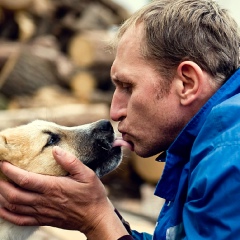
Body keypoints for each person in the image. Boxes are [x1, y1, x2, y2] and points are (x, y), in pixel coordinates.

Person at [0, 0, 240, 239]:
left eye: (128, 86)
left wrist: (97, 218)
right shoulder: (213, 145)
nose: (114, 112)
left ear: (187, 83)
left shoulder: (229, 157)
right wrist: (98, 215)